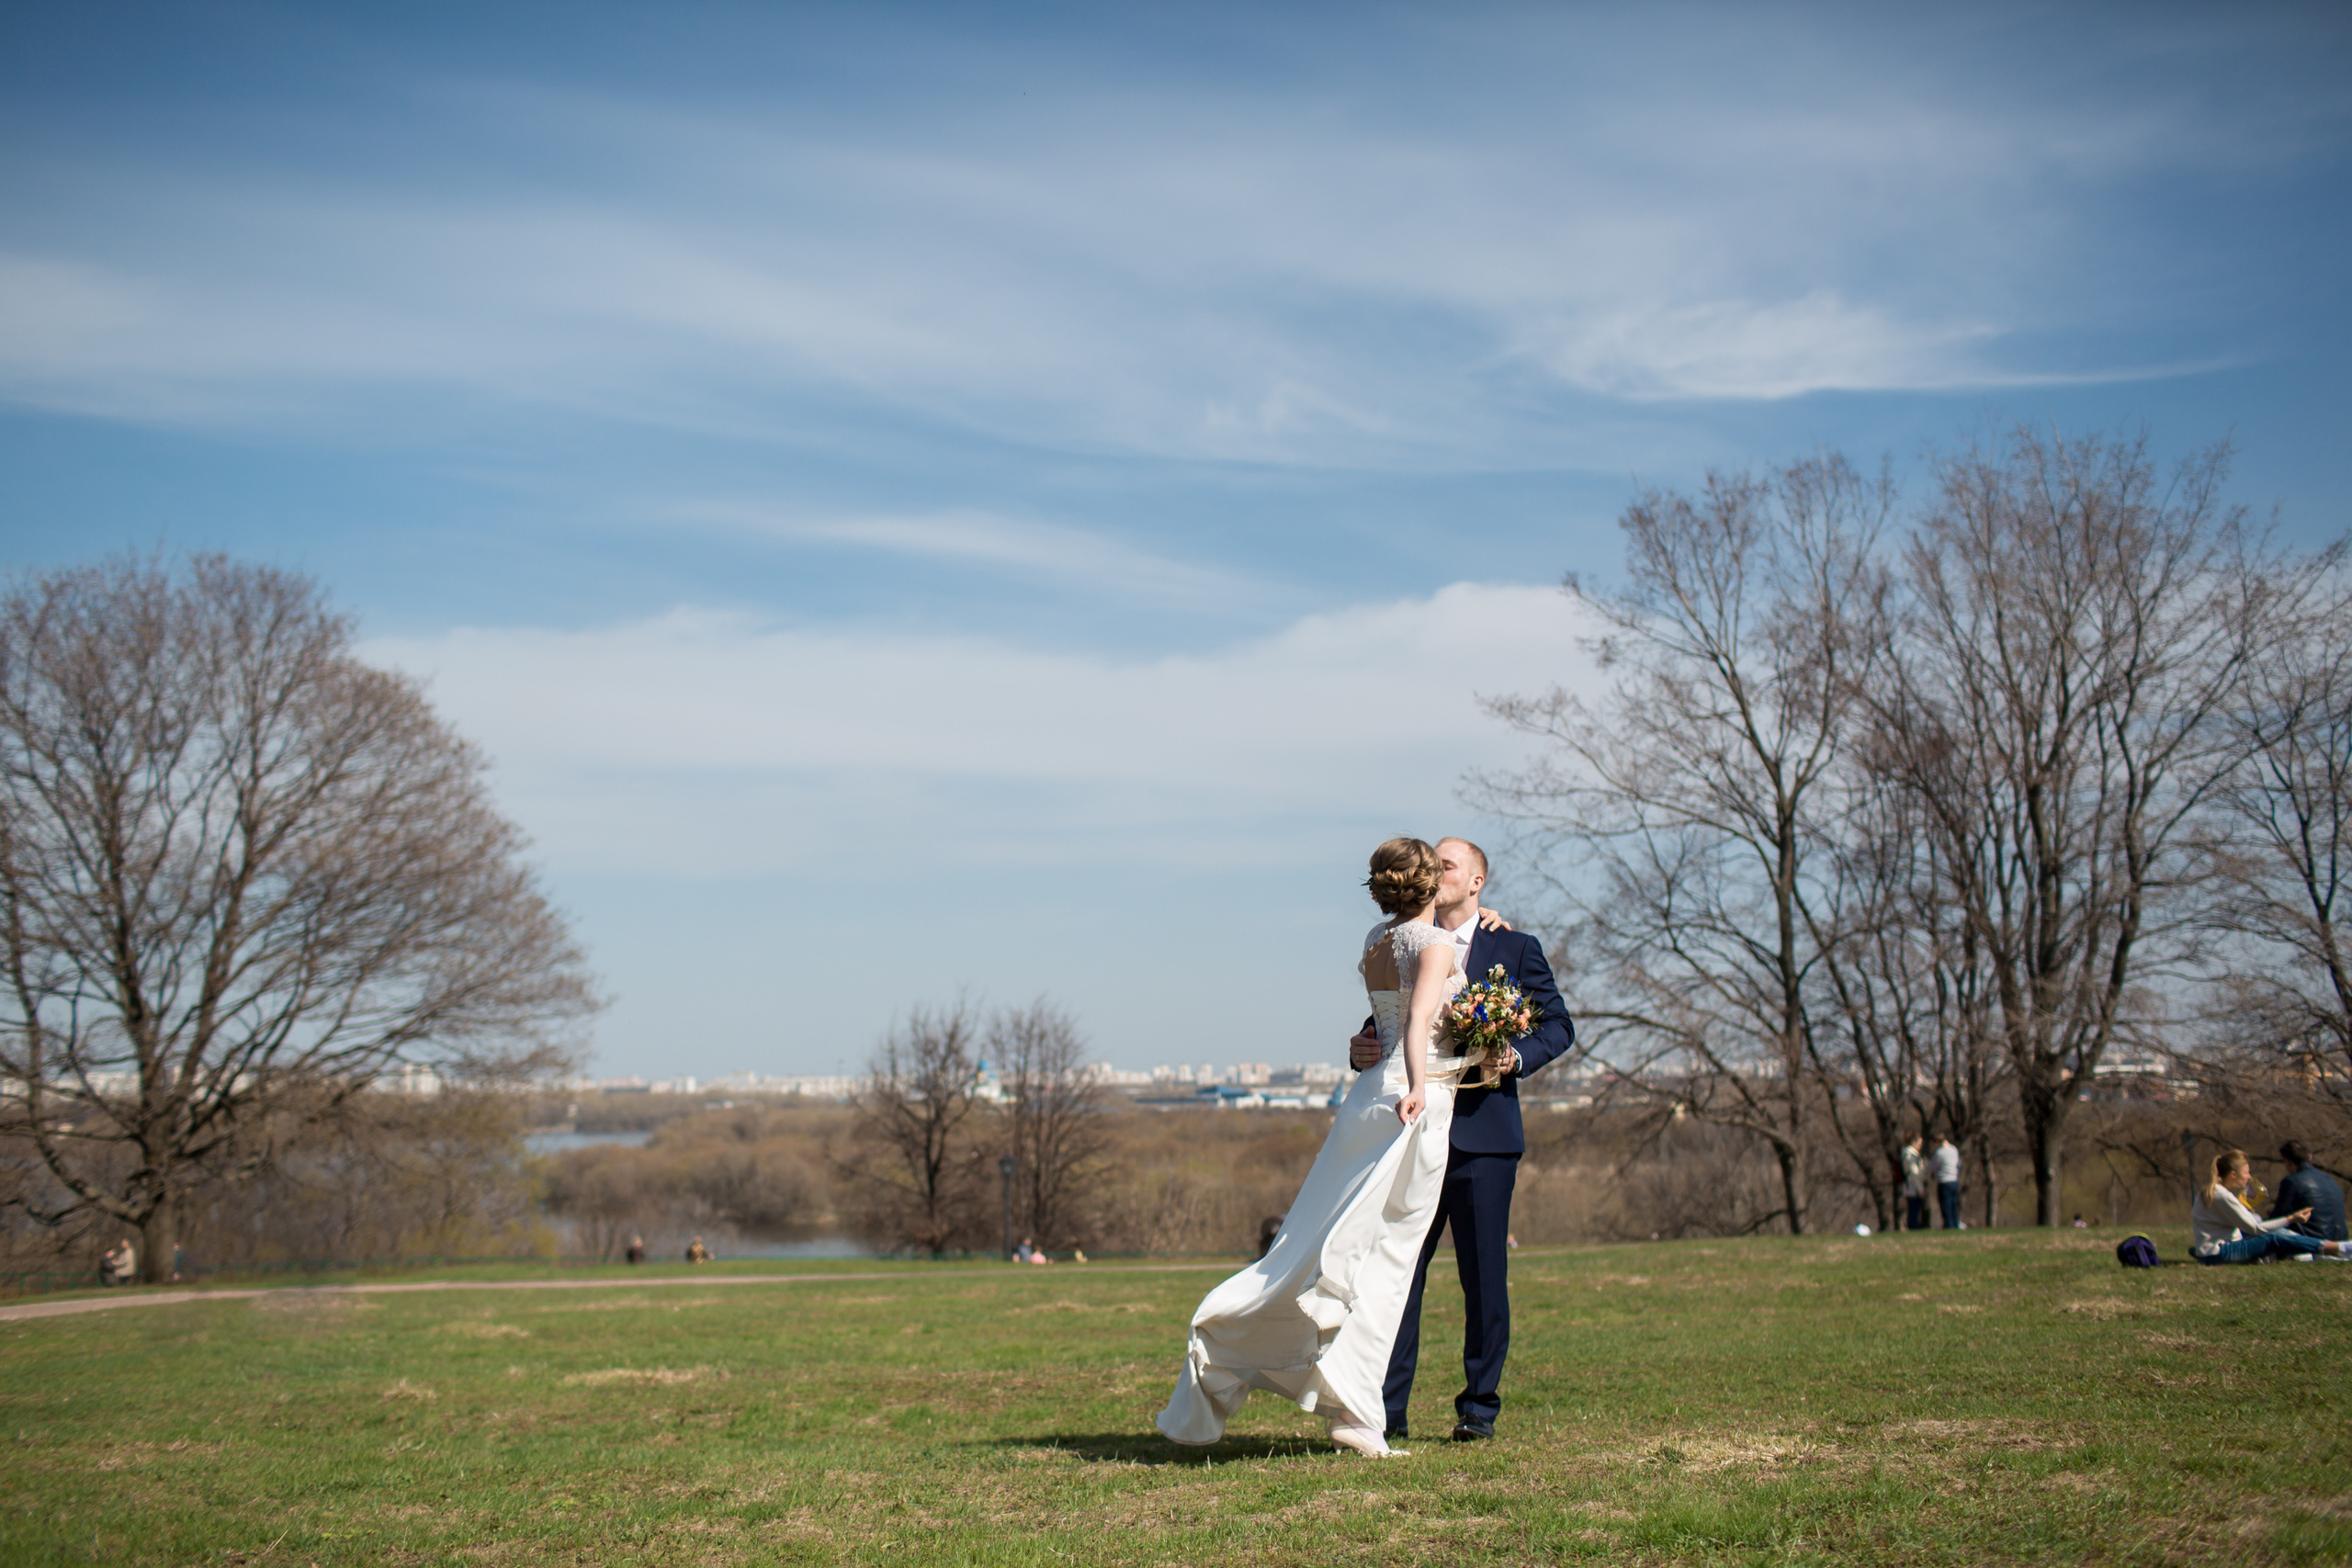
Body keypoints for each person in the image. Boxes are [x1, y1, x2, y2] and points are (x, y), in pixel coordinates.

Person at [1158, 837, 1476, 1459]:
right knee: (1385, 1257)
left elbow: (1395, 1017)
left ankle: (1351, 1405)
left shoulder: (1376, 942)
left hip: (1365, 1098)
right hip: (1408, 1101)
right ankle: (1349, 1408)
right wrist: (1418, 1085)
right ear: (1428, 885)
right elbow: (1418, 1023)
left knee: (1324, 1240)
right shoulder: (1435, 944)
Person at [1348, 836, 1575, 1446]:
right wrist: (1360, 1045)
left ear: (1476, 880)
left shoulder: (1514, 945)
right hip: (1413, 1127)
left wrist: (1516, 1055)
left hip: (1484, 1134)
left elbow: (1559, 1024)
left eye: (1448, 864)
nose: (1436, 871)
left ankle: (1478, 1407)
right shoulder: (1403, 940)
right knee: (1399, 1270)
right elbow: (1392, 1020)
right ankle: (1386, 1408)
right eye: (1433, 863)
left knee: (1484, 1277)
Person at [2193, 1148, 2352, 1264]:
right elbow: (2254, 1228)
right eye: (2247, 1172)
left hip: (2214, 1251)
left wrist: (2244, 1207)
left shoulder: (2215, 1192)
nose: (2249, 1177)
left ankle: (2321, 1250)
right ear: (2234, 1174)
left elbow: (2243, 1222)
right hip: (2219, 1253)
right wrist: (2291, 1219)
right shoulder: (2221, 1195)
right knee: (2274, 1237)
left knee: (2276, 1230)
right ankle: (2336, 1248)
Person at [2271, 1140, 2348, 1244]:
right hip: (2340, 1243)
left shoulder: (2292, 1181)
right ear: (2310, 1157)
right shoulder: (2330, 1179)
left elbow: (2278, 1218)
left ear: (2287, 1162)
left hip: (2314, 1244)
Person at [1931, 1134, 1962, 1230]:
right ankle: (1955, 1223)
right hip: (1954, 1180)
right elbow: (1958, 1163)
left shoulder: (1939, 1152)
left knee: (1946, 1204)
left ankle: (1949, 1225)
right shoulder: (1954, 1150)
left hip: (1944, 1181)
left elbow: (1932, 1166)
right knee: (1953, 1204)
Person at [1901, 1135, 1928, 1232]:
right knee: (1913, 1209)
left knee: (1913, 1209)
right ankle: (1913, 1228)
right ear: (1913, 1142)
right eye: (1919, 1143)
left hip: (1911, 1186)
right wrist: (1920, 1189)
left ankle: (1913, 1227)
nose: (1920, 1145)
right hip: (1912, 1187)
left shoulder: (1907, 1153)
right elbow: (1914, 1173)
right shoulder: (1910, 1155)